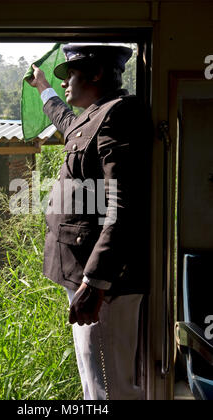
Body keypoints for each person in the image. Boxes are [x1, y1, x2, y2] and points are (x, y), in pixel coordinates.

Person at [27, 44, 151, 400]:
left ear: (96, 74)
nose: (65, 83)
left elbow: (122, 206)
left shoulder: (118, 115)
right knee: (94, 381)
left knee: (108, 388)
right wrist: (42, 88)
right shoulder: (92, 116)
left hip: (101, 282)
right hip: (84, 273)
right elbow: (65, 121)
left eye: (70, 75)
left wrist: (95, 283)